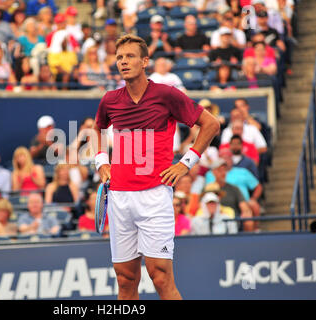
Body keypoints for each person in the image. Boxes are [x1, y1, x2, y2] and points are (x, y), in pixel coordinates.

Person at [93, 34, 220, 300]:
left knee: (160, 277)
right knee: (125, 280)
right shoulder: (110, 100)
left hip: (155, 196)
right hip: (119, 197)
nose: (123, 62)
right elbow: (97, 129)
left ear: (145, 61)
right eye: (119, 57)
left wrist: (186, 163)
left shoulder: (167, 95)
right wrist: (102, 162)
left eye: (130, 56)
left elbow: (211, 124)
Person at [205, 159, 254, 231]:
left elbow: (244, 206)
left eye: (224, 170)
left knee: (248, 220)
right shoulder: (208, 189)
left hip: (232, 219)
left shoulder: (234, 188)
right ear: (213, 172)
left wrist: (246, 212)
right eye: (220, 170)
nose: (223, 173)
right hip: (212, 219)